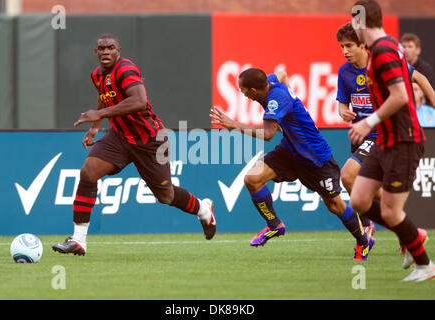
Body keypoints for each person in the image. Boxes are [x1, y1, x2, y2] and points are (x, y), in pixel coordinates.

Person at [52, 33, 216, 255]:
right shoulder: (97, 74)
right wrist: (95, 125)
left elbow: (139, 102)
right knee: (88, 173)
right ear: (95, 52)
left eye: (110, 48)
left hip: (150, 140)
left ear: (119, 50)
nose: (105, 52)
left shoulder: (125, 69)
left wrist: (98, 113)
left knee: (165, 196)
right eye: (101, 48)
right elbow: (104, 95)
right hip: (120, 137)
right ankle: (79, 239)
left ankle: (204, 210)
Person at [210, 67, 374, 261]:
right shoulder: (270, 83)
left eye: (243, 90)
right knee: (252, 179)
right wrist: (292, 104)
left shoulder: (276, 99)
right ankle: (275, 225)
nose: (242, 93)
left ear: (253, 91)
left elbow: (268, 134)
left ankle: (363, 241)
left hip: (315, 158)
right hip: (290, 151)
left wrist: (234, 125)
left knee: (334, 205)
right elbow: (281, 73)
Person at [335, 22, 435, 265]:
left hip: (380, 135)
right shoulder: (344, 71)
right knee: (369, 196)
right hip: (361, 134)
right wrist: (343, 111)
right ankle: (408, 230)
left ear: (362, 44)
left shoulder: (379, 63)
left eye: (349, 46)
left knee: (348, 176)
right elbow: (342, 102)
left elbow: (418, 76)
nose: (345, 51)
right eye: (341, 47)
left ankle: (369, 227)